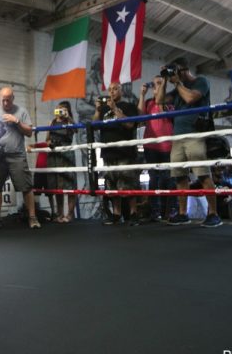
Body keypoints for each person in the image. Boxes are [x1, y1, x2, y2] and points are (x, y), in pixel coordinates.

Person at [159, 57, 222, 227]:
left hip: (196, 135)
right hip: (178, 137)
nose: (175, 76)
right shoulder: (177, 90)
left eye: (176, 71)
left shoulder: (201, 81)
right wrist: (164, 81)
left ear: (184, 70)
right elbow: (159, 101)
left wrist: (178, 83)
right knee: (179, 177)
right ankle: (182, 213)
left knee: (203, 174)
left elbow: (191, 98)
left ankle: (213, 213)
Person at [0, 86, 41, 230]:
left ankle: (33, 218)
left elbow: (29, 132)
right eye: (3, 100)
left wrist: (16, 122)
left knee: (26, 187)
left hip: (17, 155)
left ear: (13, 99)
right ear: (0, 98)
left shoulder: (21, 111)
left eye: (8, 101)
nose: (5, 104)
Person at [93, 82, 140, 226]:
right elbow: (94, 126)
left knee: (128, 184)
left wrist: (115, 108)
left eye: (115, 89)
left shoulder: (129, 106)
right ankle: (116, 214)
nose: (112, 92)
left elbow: (130, 124)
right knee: (111, 186)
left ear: (121, 91)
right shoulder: (103, 109)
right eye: (110, 90)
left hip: (125, 151)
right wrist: (97, 110)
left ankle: (133, 214)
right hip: (108, 153)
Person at [138, 76, 176, 221]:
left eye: (159, 84)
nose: (156, 87)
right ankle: (155, 211)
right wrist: (142, 94)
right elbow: (140, 115)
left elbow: (161, 107)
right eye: (154, 85)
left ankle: (170, 210)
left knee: (168, 179)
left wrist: (161, 87)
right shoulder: (148, 102)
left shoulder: (170, 102)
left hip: (167, 146)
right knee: (153, 178)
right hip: (151, 145)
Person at [46, 101, 78, 223]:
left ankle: (70, 215)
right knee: (57, 186)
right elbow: (47, 139)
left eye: (63, 109)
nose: (60, 111)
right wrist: (49, 143)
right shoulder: (52, 122)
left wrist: (68, 117)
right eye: (58, 108)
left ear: (67, 111)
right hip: (54, 155)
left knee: (69, 185)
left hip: (67, 153)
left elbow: (77, 130)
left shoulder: (69, 122)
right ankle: (60, 214)